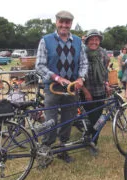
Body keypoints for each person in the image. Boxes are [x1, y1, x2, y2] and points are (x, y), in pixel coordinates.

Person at [35, 10, 88, 163]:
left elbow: (84, 63)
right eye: (61, 21)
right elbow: (39, 65)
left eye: (67, 22)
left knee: (68, 119)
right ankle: (45, 152)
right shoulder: (46, 40)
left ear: (71, 24)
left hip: (72, 88)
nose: (64, 25)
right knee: (50, 120)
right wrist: (57, 78)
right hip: (52, 87)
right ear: (56, 22)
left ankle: (62, 149)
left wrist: (81, 78)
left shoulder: (78, 41)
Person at [80, 29, 110, 152]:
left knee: (98, 119)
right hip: (86, 91)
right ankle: (89, 139)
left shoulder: (103, 53)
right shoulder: (82, 54)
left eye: (96, 39)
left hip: (100, 91)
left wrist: (106, 83)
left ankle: (92, 141)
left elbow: (105, 70)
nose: (94, 42)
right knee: (91, 118)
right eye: (92, 39)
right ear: (87, 41)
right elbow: (78, 75)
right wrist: (85, 91)